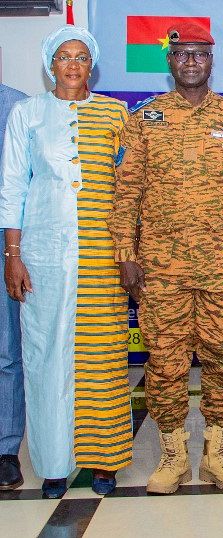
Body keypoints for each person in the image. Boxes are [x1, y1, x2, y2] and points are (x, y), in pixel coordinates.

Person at [108, 23, 223, 494]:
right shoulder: (145, 119)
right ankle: (173, 458)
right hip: (160, 267)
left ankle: (218, 454)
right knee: (166, 361)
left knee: (221, 359)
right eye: (182, 55)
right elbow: (127, 192)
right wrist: (125, 253)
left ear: (211, 61)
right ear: (170, 61)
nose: (191, 62)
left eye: (199, 54)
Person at [0, 26, 132, 498]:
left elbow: (132, 185)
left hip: (102, 254)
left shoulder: (116, 114)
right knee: (45, 355)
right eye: (63, 57)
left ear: (91, 65)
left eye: (81, 57)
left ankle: (104, 460)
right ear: (49, 64)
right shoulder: (26, 113)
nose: (72, 65)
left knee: (103, 355)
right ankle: (54, 463)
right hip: (42, 256)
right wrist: (13, 255)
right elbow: (12, 187)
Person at [0, 82, 27, 491]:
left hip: (8, 240)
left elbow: (19, 185)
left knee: (6, 349)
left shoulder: (17, 107)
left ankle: (5, 450)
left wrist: (13, 252)